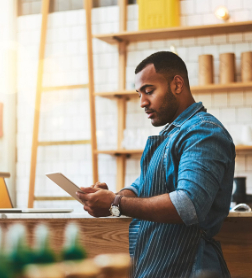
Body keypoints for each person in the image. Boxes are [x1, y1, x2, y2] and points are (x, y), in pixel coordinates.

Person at [76, 51, 235, 278]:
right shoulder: (173, 134)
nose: (142, 102)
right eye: (140, 93)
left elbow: (188, 204)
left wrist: (115, 203)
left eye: (149, 91)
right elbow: (142, 187)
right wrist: (111, 196)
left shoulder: (203, 132)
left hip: (189, 266)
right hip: (159, 265)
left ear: (177, 84)